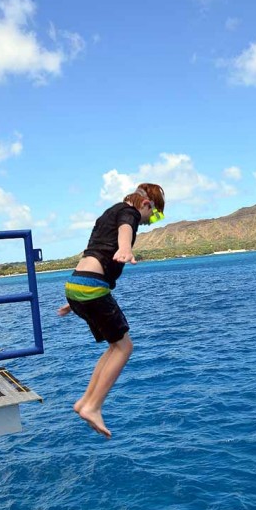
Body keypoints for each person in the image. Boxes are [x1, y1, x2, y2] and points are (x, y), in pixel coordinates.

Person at [57, 183, 165, 439]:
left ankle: (86, 402)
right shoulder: (130, 213)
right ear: (146, 203)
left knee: (114, 346)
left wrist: (74, 299)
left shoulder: (108, 213)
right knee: (125, 347)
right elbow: (127, 228)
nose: (150, 221)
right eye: (155, 216)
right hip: (91, 288)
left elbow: (94, 249)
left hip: (77, 285)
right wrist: (125, 248)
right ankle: (93, 406)